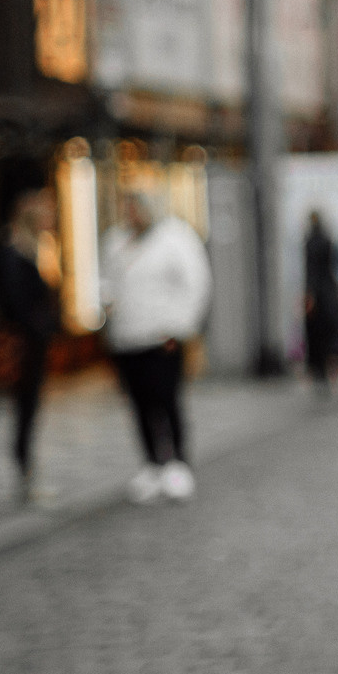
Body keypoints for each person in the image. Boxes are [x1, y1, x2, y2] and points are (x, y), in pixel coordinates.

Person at [101, 188, 211, 502]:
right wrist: (107, 304)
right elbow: (107, 281)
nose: (130, 214)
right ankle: (151, 462)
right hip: (127, 337)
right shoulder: (115, 242)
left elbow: (196, 283)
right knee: (139, 403)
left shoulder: (175, 238)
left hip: (163, 337)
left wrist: (180, 327)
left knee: (166, 398)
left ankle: (177, 461)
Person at [0, 189, 64, 502]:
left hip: (34, 342)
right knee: (25, 409)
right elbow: (18, 303)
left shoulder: (36, 250)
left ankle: (26, 472)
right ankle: (24, 474)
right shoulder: (17, 254)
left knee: (30, 409)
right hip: (25, 344)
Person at [300, 211, 338, 394]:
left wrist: (309, 295)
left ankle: (323, 376)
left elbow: (311, 273)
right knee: (335, 337)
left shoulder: (310, 243)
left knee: (318, 338)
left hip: (317, 297)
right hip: (331, 294)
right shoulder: (329, 240)